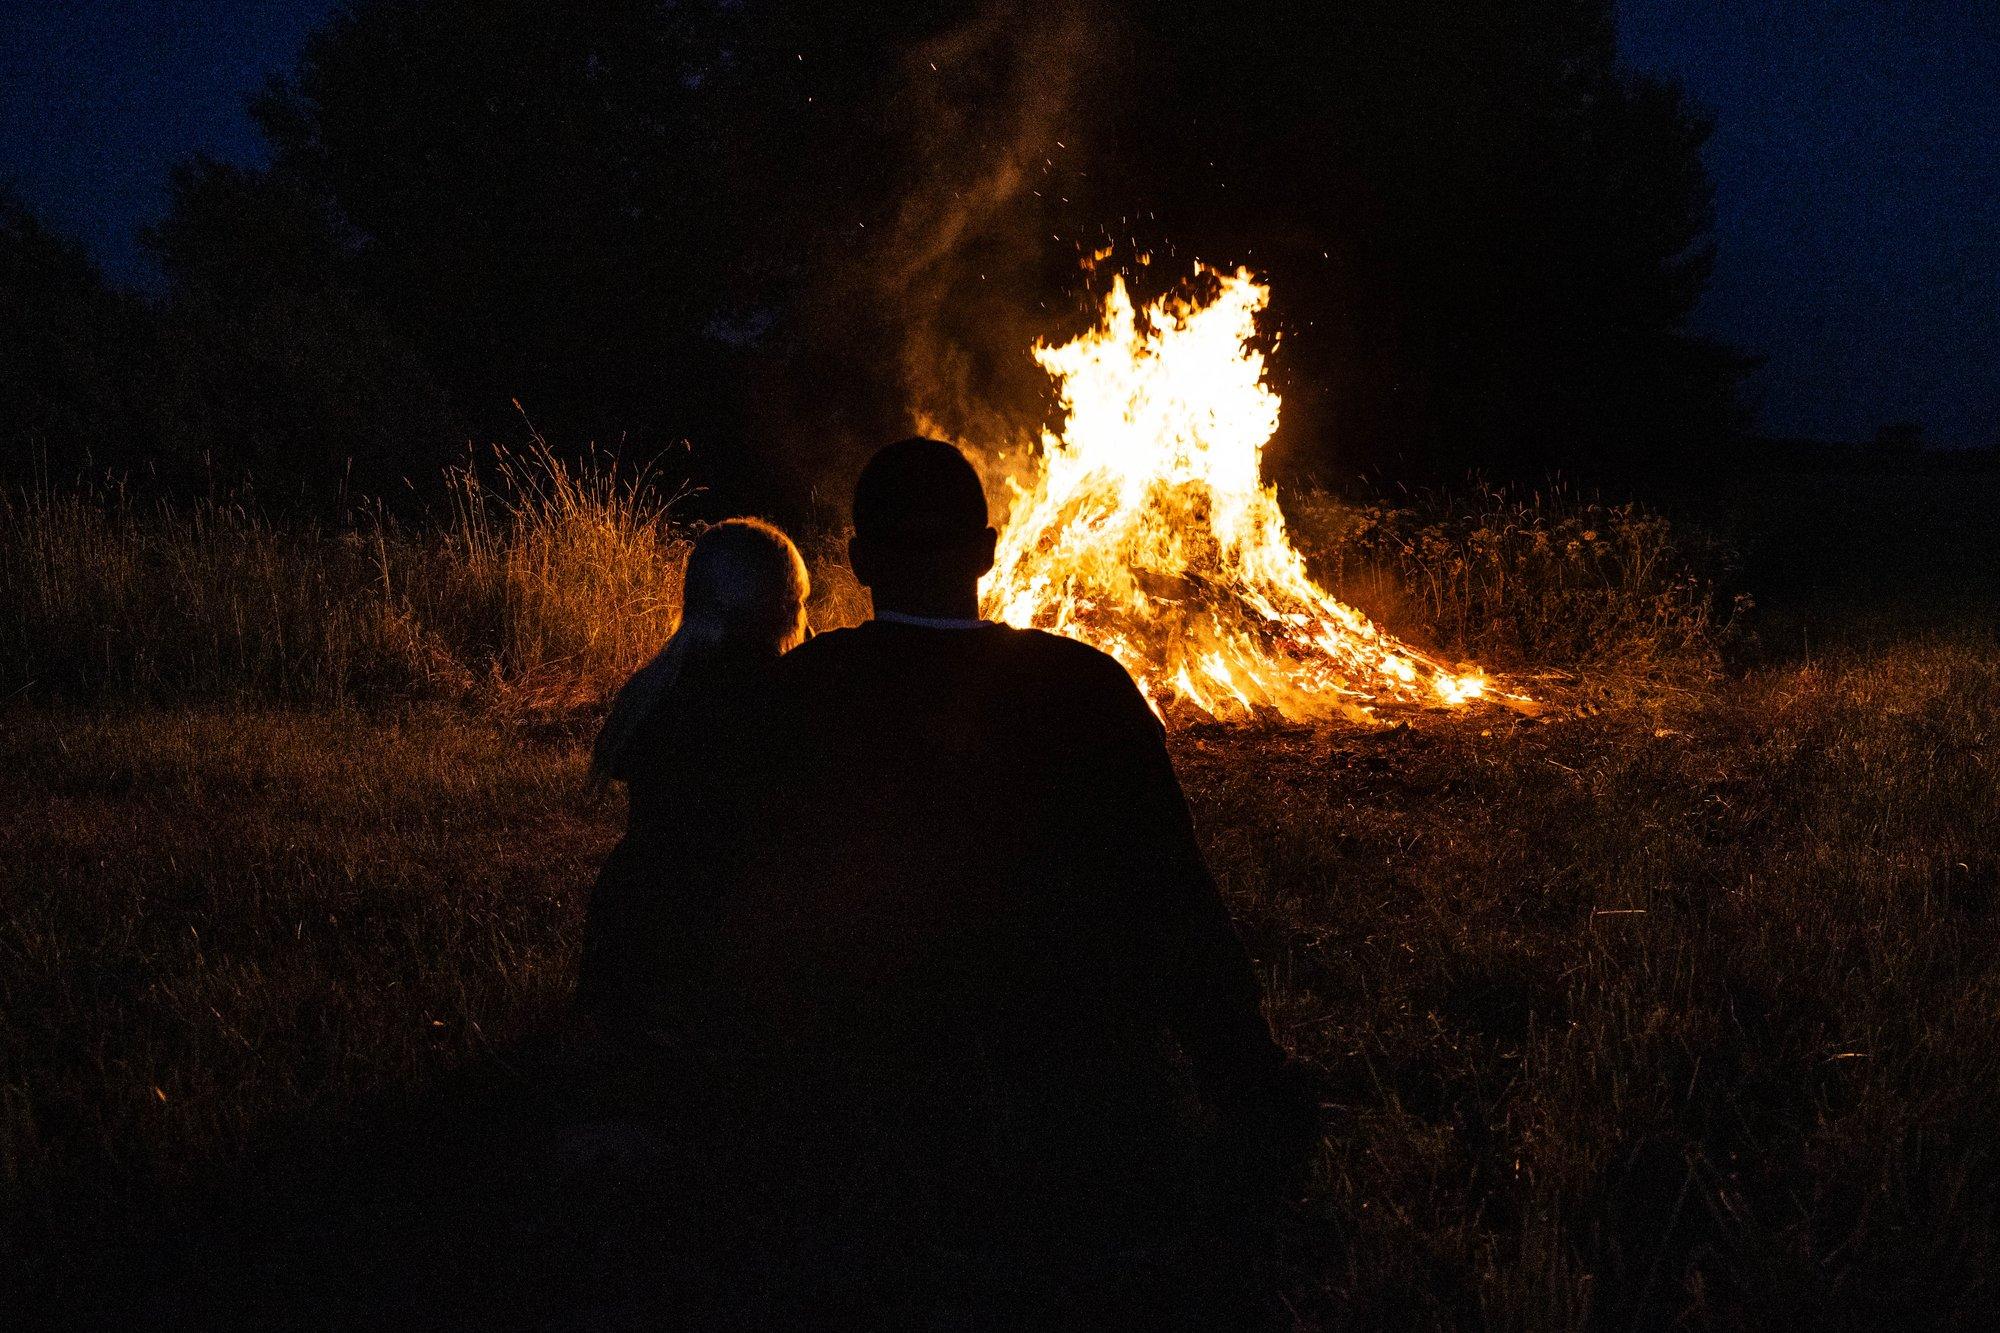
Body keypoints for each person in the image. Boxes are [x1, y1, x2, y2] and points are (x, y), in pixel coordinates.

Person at [707, 439, 1319, 1276]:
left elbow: (739, 907)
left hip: (863, 1125)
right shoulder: (1086, 688)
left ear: (857, 560)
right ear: (990, 551)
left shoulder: (796, 695)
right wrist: (1250, 1080)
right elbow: (1174, 902)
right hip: (1071, 1115)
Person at [576, 516, 810, 1048]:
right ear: (779, 611)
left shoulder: (663, 686)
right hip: (714, 945)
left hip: (632, 927)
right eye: (800, 602)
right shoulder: (773, 703)